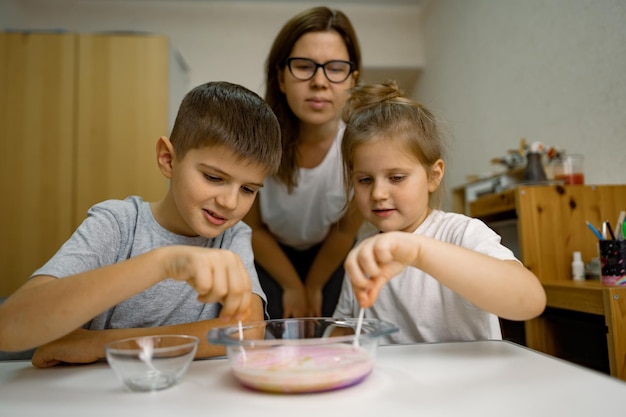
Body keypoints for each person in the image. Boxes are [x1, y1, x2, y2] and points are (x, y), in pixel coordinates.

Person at [0, 81, 282, 367]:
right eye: (213, 177)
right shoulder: (118, 223)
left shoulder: (232, 236)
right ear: (168, 159)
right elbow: (9, 328)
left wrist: (97, 344)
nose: (230, 203)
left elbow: (246, 331)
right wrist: (164, 262)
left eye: (248, 189)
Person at [334, 81, 546, 343]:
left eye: (396, 177)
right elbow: (344, 332)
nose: (378, 193)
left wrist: (419, 251)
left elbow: (530, 300)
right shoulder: (365, 254)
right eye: (365, 180)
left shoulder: (462, 233)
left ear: (433, 176)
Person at [243, 6, 364, 319]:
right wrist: (292, 286)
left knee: (330, 327)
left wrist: (312, 286)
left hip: (330, 255)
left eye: (335, 68)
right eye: (304, 66)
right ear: (281, 77)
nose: (320, 82)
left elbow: (343, 233)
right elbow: (252, 228)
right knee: (271, 325)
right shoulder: (255, 143)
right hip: (267, 252)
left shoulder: (360, 148)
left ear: (353, 79)